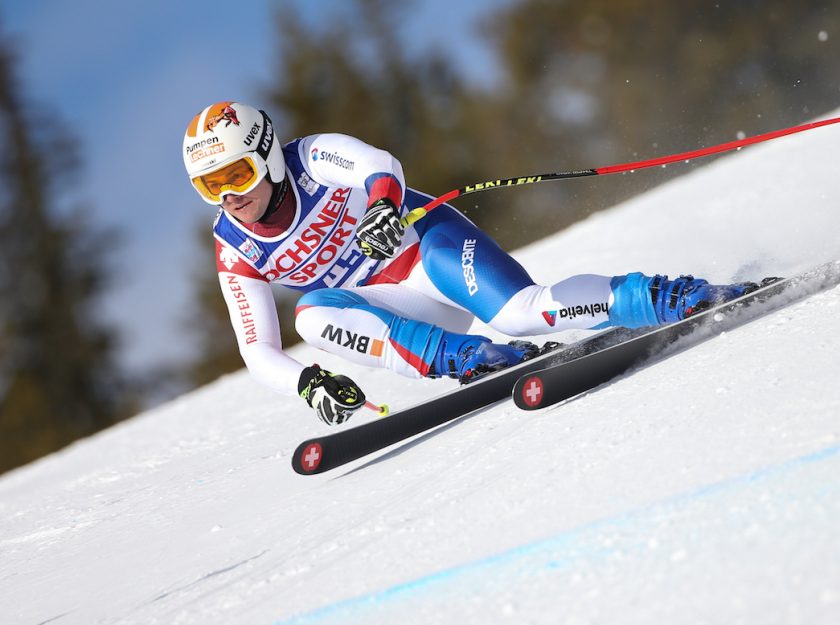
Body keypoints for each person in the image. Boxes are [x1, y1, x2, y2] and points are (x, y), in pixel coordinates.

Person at [182, 102, 760, 426]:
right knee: (310, 318)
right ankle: (475, 359)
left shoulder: (308, 157)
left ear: (265, 157)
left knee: (520, 312)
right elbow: (257, 349)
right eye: (211, 185)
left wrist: (384, 205)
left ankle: (663, 297)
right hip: (395, 306)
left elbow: (377, 164)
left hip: (426, 251)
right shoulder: (235, 245)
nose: (229, 195)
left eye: (237, 174)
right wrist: (307, 382)